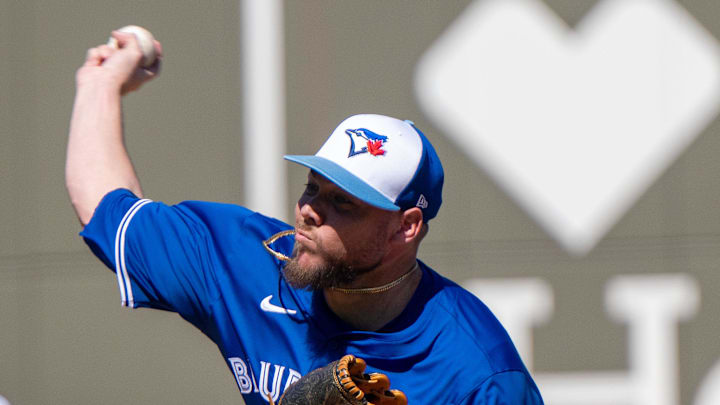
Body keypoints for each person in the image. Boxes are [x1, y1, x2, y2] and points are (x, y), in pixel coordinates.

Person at [66, 32, 543, 405]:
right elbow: (109, 205)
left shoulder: (478, 374)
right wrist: (100, 83)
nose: (310, 210)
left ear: (406, 226)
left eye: (345, 202)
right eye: (313, 187)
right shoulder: (242, 263)